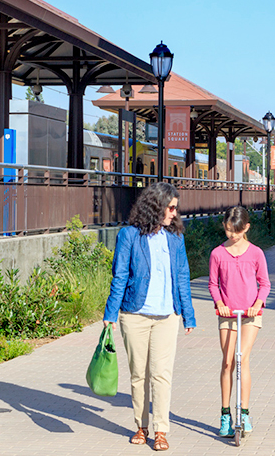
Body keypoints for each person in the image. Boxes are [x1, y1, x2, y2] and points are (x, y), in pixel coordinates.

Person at [103, 182, 196, 452]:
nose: (174, 213)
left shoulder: (175, 236)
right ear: (156, 206)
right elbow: (120, 275)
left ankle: (161, 429)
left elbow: (182, 276)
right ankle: (141, 427)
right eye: (171, 208)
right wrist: (111, 312)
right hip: (135, 314)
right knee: (138, 375)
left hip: (167, 315)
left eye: (176, 208)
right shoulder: (129, 235)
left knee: (161, 374)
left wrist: (188, 315)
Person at [208, 206, 270, 438]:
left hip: (250, 314)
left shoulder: (256, 253)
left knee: (241, 359)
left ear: (246, 228)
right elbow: (213, 284)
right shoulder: (217, 254)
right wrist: (219, 303)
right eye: (227, 230)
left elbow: (265, 284)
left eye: (236, 231)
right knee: (227, 362)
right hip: (227, 314)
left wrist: (258, 303)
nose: (231, 235)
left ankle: (244, 412)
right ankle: (225, 414)